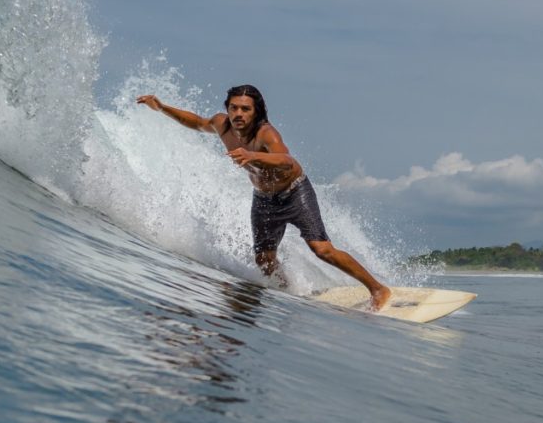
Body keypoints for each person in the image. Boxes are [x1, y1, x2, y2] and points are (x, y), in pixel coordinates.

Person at [137, 85, 391, 310]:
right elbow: (196, 122)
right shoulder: (221, 124)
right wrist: (161, 108)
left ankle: (378, 289)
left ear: (256, 111)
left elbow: (286, 160)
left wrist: (254, 156)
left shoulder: (265, 133)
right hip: (264, 200)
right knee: (264, 260)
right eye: (234, 108)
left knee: (322, 250)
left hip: (294, 193)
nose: (239, 114)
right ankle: (287, 290)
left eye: (245, 109)